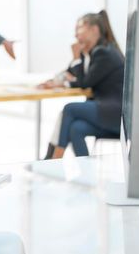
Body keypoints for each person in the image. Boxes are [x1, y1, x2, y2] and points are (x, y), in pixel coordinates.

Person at [42, 10, 124, 158]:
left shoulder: (104, 53)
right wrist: (56, 81)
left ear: (94, 30)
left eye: (79, 28)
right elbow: (71, 73)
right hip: (107, 113)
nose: (75, 35)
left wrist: (76, 58)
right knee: (76, 128)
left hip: (115, 114)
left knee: (69, 109)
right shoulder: (91, 53)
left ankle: (55, 158)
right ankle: (87, 170)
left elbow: (85, 83)